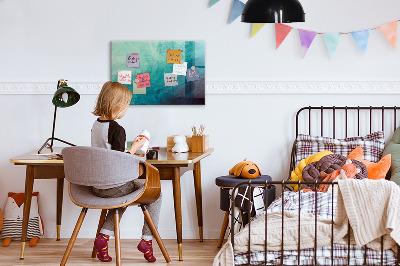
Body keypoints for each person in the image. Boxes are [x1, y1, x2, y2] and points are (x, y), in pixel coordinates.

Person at [91, 81, 161, 263]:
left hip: (97, 186)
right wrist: (135, 149)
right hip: (114, 186)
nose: (127, 109)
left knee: (122, 197)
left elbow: (108, 155)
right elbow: (118, 161)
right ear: (117, 105)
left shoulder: (96, 125)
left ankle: (103, 238)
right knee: (156, 194)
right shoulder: (117, 129)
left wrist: (130, 150)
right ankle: (147, 240)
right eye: (126, 105)